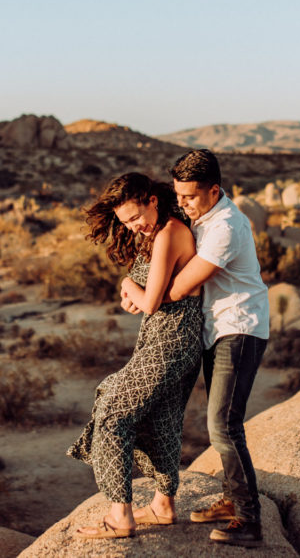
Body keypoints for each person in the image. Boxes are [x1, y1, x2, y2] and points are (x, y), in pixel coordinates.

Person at [121, 148, 269, 548]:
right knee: (218, 420)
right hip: (215, 328)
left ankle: (250, 521)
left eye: (189, 197)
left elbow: (182, 286)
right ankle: (231, 497)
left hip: (239, 329)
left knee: (223, 425)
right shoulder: (201, 216)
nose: (181, 204)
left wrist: (136, 291)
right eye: (177, 194)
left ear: (214, 190)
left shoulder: (225, 228)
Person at [67, 172, 203, 540]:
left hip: (171, 339)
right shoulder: (156, 235)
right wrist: (135, 295)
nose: (133, 226)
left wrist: (126, 285)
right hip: (170, 338)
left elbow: (149, 301)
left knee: (113, 414)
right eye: (125, 222)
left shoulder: (171, 232)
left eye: (135, 216)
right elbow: (141, 301)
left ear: (151, 200)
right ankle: (162, 505)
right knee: (162, 419)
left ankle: (120, 516)